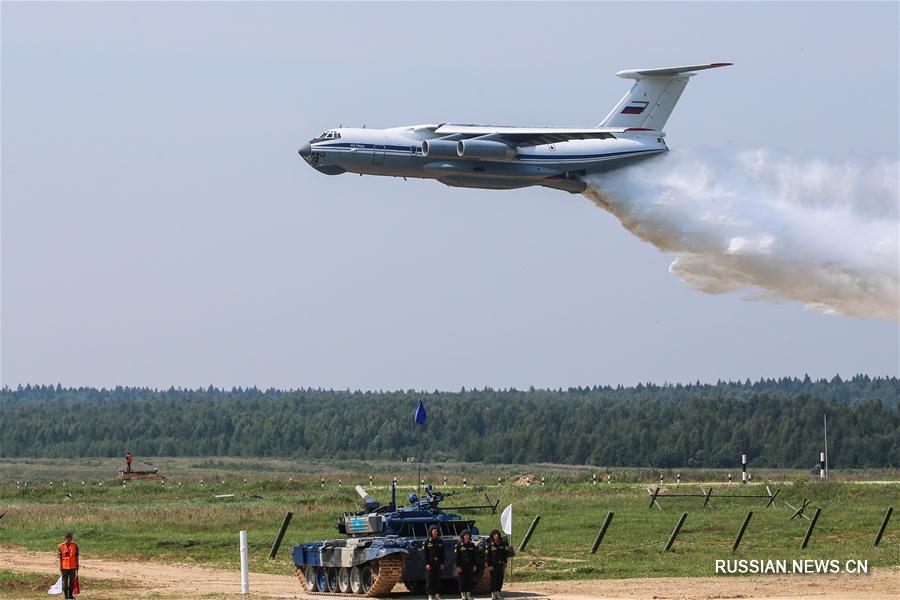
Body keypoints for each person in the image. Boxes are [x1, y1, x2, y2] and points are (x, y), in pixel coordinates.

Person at [485, 529, 512, 599]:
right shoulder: (490, 545)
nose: (496, 536)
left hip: (500, 564)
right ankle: (493, 594)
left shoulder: (501, 544)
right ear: (492, 536)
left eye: (497, 534)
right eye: (494, 534)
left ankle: (498, 593)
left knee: (500, 579)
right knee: (493, 580)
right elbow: (488, 557)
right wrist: (489, 565)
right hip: (493, 565)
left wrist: (505, 562)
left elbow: (504, 554)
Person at [454, 529, 480, 600]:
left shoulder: (472, 545)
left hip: (470, 565)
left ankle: (468, 595)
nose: (467, 537)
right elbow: (456, 556)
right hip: (462, 565)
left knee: (469, 580)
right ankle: (463, 595)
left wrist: (475, 565)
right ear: (463, 536)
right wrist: (457, 566)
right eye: (465, 535)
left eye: (468, 535)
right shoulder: (459, 545)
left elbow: (475, 556)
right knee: (462, 580)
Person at [422, 525, 444, 600]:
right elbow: (425, 554)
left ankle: (437, 595)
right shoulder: (427, 541)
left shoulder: (440, 541)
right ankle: (430, 595)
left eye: (436, 531)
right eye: (434, 531)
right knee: (430, 579)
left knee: (438, 579)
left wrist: (442, 563)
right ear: (431, 532)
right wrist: (427, 563)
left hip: (438, 563)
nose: (435, 532)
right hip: (430, 563)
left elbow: (442, 554)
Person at [57, 532, 79, 600]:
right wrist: (60, 567)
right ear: (66, 538)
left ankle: (71, 595)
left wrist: (77, 565)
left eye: (72, 538)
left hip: (72, 567)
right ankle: (66, 596)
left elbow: (76, 556)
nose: (71, 539)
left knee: (72, 582)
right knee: (65, 582)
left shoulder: (75, 545)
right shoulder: (60, 546)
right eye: (70, 538)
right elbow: (60, 557)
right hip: (64, 567)